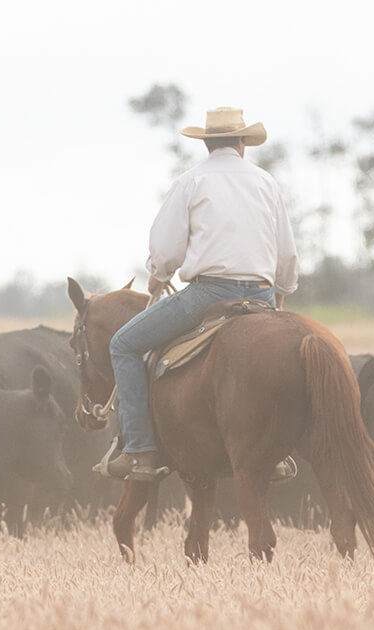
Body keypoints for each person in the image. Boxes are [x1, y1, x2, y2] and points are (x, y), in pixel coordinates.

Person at [103, 106, 299, 483]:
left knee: (123, 345)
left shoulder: (191, 182)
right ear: (242, 144)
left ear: (207, 144)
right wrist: (281, 293)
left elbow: (165, 246)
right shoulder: (266, 183)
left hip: (209, 294)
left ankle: (140, 451)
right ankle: (276, 454)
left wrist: (158, 276)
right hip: (261, 295)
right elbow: (287, 252)